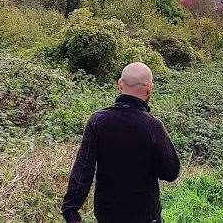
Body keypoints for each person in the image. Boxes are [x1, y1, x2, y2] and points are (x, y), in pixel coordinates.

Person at [62, 62, 180, 223]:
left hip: (108, 216)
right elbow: (170, 173)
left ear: (120, 84)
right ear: (149, 88)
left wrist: (70, 210)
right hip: (146, 217)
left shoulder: (98, 121)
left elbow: (83, 170)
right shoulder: (153, 126)